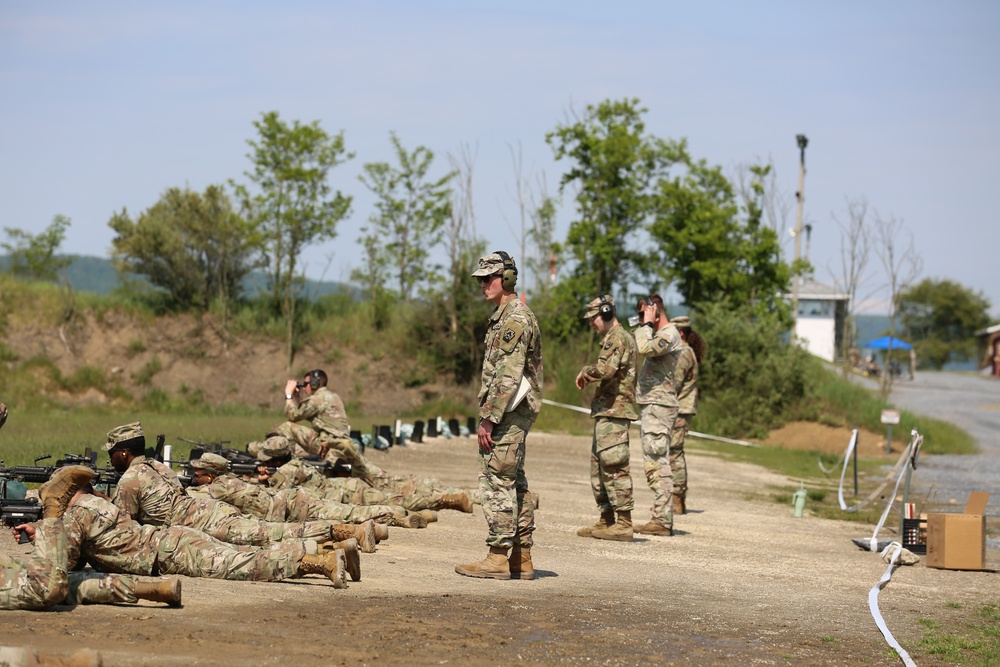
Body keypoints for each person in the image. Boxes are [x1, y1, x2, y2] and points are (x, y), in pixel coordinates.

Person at [46, 466, 352, 588]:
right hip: (174, 539)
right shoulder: (98, 505)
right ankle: (324, 549)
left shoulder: (77, 516)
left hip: (171, 553)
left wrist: (46, 530)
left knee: (244, 564)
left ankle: (322, 563)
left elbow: (63, 563)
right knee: (245, 552)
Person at [105, 422, 346, 546]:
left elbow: (123, 526)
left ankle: (336, 531)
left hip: (205, 521)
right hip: (210, 512)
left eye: (112, 452)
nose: (110, 457)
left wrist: (101, 500)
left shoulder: (130, 480)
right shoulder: (159, 467)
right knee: (266, 533)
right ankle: (332, 537)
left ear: (124, 453)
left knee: (268, 534)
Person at [455, 251, 542, 580]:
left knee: (497, 480)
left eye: (488, 278)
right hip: (511, 412)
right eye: (480, 279)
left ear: (506, 278)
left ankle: (497, 557)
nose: (482, 284)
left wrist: (489, 417)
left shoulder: (515, 318)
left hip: (507, 413)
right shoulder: (505, 315)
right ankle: (521, 556)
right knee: (514, 481)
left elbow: (509, 373)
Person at [186, 452, 429, 528]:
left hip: (294, 508)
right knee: (348, 513)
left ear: (210, 475)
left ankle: (397, 515)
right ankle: (400, 514)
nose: (195, 479)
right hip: (293, 501)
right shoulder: (229, 480)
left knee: (350, 515)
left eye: (197, 475)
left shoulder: (218, 487)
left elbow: (188, 497)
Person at [573, 295, 638, 542]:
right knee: (599, 466)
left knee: (614, 465)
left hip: (615, 411)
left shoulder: (618, 338)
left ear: (607, 312)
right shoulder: (614, 338)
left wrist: (584, 372)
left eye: (594, 318)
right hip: (608, 411)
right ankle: (607, 518)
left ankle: (624, 523)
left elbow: (605, 370)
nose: (591, 323)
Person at [633, 294, 683, 536]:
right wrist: (646, 325)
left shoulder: (669, 334)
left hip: (659, 405)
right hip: (654, 404)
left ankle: (662, 519)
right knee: (653, 460)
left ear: (655, 310)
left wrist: (646, 324)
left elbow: (644, 348)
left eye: (644, 312)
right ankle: (660, 517)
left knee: (657, 461)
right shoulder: (659, 333)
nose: (641, 318)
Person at [668, 315, 705, 515]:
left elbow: (674, 383)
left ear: (680, 333)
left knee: (674, 452)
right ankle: (675, 498)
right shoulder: (686, 351)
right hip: (680, 408)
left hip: (680, 409)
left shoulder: (683, 353)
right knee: (673, 452)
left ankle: (677, 498)